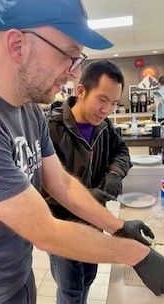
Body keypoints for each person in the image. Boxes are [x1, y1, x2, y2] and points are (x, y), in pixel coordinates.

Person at [0, 0, 164, 303]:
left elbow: (61, 183)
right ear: (17, 44)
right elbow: (45, 230)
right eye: (69, 57)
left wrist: (118, 226)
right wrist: (134, 254)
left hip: (18, 273)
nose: (73, 76)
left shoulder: (28, 108)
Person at [46, 60, 133, 303]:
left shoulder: (104, 126)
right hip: (64, 228)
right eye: (102, 99)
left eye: (114, 103)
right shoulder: (52, 130)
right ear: (81, 91)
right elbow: (42, 187)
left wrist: (115, 174)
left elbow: (122, 152)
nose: (107, 109)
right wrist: (87, 197)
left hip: (95, 223)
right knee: (70, 290)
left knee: (88, 279)